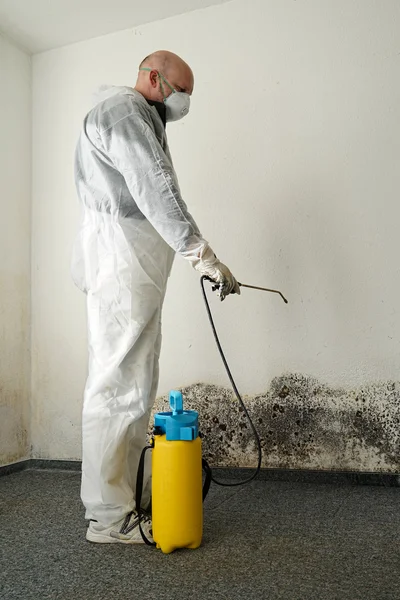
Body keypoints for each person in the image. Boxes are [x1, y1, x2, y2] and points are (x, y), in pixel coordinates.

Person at [72, 50, 240, 544]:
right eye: (180, 90)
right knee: (118, 383)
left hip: (130, 259)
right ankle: (107, 518)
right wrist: (202, 255)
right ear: (152, 77)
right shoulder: (123, 112)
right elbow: (157, 190)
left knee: (135, 381)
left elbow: (157, 192)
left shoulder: (139, 116)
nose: (184, 102)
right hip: (121, 258)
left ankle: (119, 503)